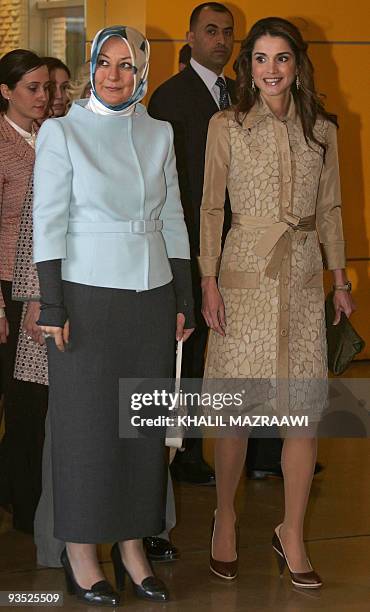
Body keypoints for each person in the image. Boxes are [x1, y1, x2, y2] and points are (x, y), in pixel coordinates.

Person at [33, 25, 194, 606]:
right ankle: (81, 551)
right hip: (85, 295)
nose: (114, 74)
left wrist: (183, 298)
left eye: (127, 65)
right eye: (105, 61)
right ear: (91, 65)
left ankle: (132, 546)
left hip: (151, 293)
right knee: (85, 430)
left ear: (142, 72)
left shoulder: (159, 133)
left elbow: (174, 217)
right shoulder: (62, 131)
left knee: (143, 429)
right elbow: (47, 223)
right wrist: (51, 301)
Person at [199, 17, 355, 586]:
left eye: (281, 58)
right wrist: (208, 281)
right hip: (243, 275)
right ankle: (225, 515)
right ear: (248, 65)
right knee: (236, 413)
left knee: (302, 415)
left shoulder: (324, 130)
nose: (271, 69)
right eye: (260, 58)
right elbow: (211, 209)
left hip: (302, 275)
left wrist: (340, 281)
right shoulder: (228, 125)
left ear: (297, 64)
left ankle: (292, 532)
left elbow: (333, 209)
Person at [149, 1, 235, 486]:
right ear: (191, 35)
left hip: (239, 242)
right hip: (188, 243)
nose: (220, 40)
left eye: (227, 32)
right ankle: (184, 450)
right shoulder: (170, 97)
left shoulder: (240, 94)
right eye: (210, 31)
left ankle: (255, 448)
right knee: (190, 351)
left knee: (233, 348)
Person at [0, 50, 49, 532]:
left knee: (31, 403)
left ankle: (22, 498)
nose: (42, 96)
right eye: (32, 88)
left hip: (42, 286)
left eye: (46, 88)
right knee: (17, 402)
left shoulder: (49, 136)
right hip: (6, 288)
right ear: (6, 91)